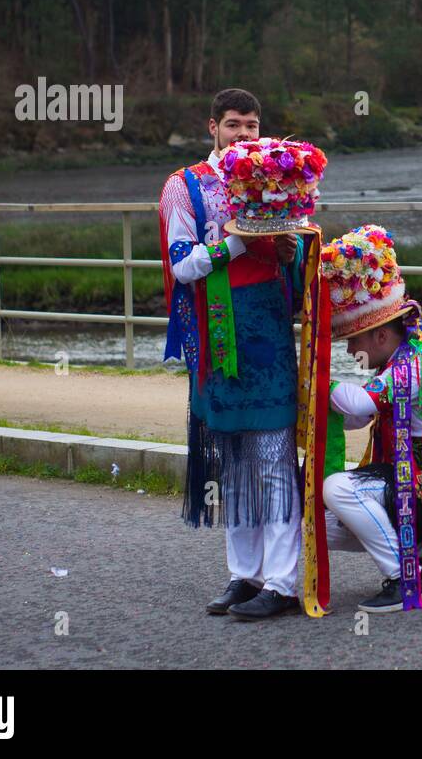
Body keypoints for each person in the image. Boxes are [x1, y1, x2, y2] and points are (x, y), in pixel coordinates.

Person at [157, 87, 312, 621]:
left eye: (252, 124)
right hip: (218, 334)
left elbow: (294, 266)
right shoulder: (185, 187)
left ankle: (284, 581)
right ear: (212, 128)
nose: (245, 134)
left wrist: (294, 252)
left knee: (272, 457)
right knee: (235, 462)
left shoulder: (279, 180)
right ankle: (244, 575)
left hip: (267, 335)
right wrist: (235, 243)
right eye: (234, 125)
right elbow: (182, 266)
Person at [315, 225, 422, 613]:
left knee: (339, 489)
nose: (350, 350)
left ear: (380, 335)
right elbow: (357, 417)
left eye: (353, 341)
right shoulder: (401, 360)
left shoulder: (416, 361)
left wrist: (314, 380)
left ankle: (407, 578)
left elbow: (357, 405)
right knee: (316, 517)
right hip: (409, 485)